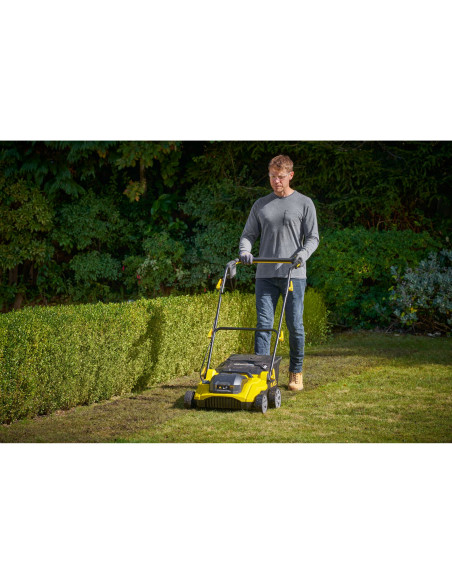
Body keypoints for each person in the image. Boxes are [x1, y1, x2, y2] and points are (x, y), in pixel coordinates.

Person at [239, 154, 319, 391]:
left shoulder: (304, 203)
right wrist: (245, 250)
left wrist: (303, 254)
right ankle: (264, 375)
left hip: (293, 275)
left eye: (281, 177)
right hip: (265, 274)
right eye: (272, 176)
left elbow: (313, 238)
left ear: (291, 175)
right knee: (264, 325)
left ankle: (296, 371)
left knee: (295, 325)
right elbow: (248, 235)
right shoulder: (261, 205)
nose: (276, 181)